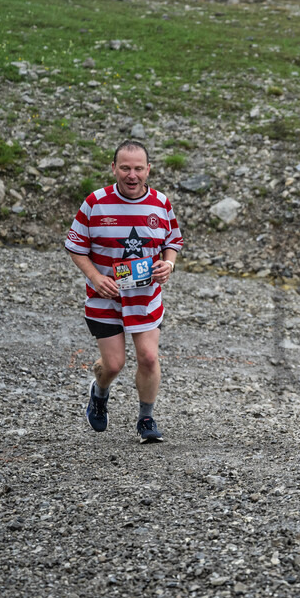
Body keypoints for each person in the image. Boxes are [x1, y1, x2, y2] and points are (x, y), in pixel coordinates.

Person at [65, 140, 184, 444]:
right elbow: (76, 247)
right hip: (104, 299)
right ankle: (99, 392)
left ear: (148, 169)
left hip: (145, 298)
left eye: (138, 168)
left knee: (147, 356)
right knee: (114, 364)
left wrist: (168, 265)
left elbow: (173, 241)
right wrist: (95, 277)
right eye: (126, 168)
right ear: (114, 168)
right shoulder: (95, 202)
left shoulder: (161, 203)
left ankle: (146, 419)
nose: (132, 175)